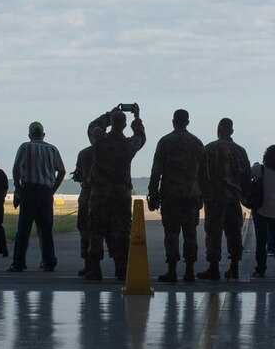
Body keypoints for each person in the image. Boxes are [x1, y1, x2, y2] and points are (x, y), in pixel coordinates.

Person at [82, 105, 146, 281]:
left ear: (111, 123)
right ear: (124, 125)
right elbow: (141, 136)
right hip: (120, 194)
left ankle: (95, 268)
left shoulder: (99, 140)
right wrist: (137, 118)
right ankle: (121, 268)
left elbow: (92, 126)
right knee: (122, 231)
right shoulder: (128, 145)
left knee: (96, 230)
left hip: (100, 192)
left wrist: (108, 114)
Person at [146, 108, 203, 284]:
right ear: (187, 122)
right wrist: (202, 195)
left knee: (171, 233)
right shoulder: (196, 143)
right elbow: (204, 173)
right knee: (190, 233)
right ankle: (190, 270)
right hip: (190, 195)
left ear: (173, 121)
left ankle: (172, 270)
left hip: (170, 196)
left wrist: (153, 193)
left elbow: (156, 170)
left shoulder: (165, 142)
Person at [9, 122, 65, 273]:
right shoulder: (52, 149)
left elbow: (16, 168)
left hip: (29, 191)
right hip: (46, 192)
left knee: (23, 230)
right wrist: (53, 189)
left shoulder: (25, 147)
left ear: (29, 135)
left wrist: (18, 186)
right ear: (43, 134)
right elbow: (62, 170)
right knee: (46, 230)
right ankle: (49, 262)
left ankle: (18, 263)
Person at [198, 117, 250, 280]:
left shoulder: (209, 149)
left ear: (218, 130)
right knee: (234, 232)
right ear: (232, 131)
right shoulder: (240, 151)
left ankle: (213, 267)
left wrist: (201, 193)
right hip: (233, 198)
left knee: (213, 233)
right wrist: (244, 196)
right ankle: (234, 266)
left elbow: (201, 174)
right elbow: (247, 176)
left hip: (214, 198)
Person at [250, 144, 275, 278]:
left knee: (261, 241)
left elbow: (248, 175)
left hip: (261, 208)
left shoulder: (259, 168)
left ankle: (260, 269)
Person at [70, 146, 93, 276]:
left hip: (88, 195)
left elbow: (78, 174)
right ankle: (121, 267)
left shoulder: (84, 153)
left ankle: (90, 265)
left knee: (86, 232)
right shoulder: (117, 147)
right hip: (112, 197)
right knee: (114, 233)